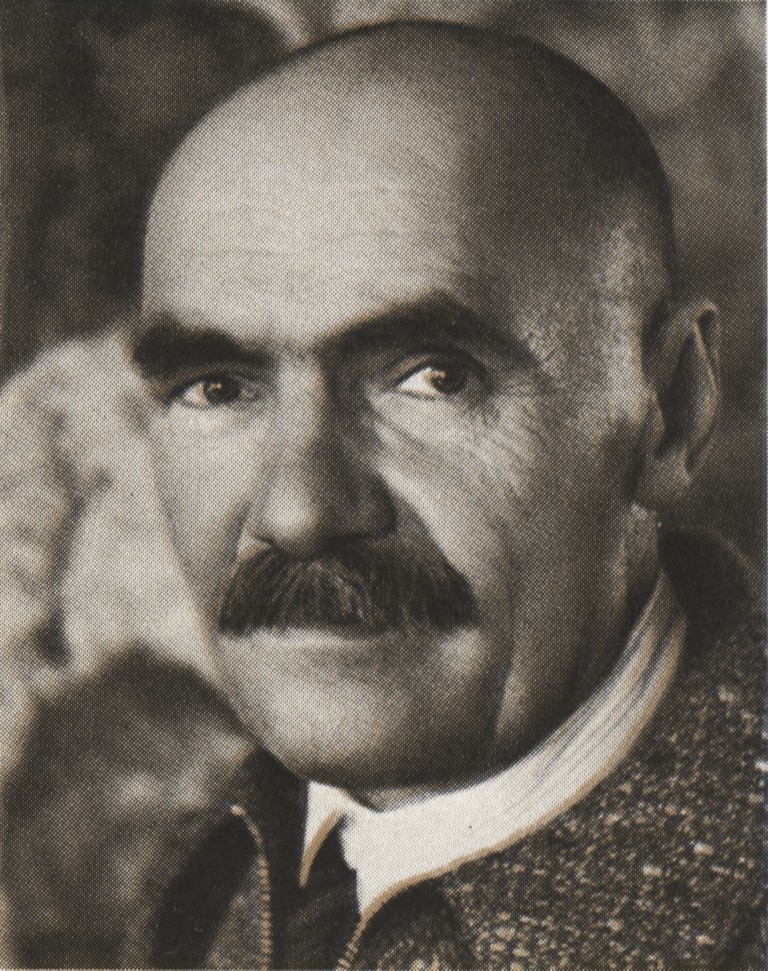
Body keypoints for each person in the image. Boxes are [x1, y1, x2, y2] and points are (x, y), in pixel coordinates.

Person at [0, 21, 762, 970]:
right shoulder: (207, 887)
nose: (297, 512)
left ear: (670, 409)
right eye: (217, 387)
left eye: (433, 377)